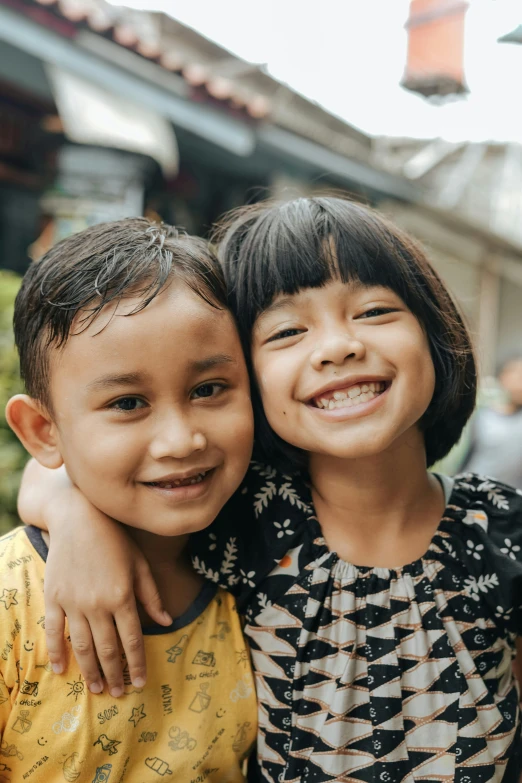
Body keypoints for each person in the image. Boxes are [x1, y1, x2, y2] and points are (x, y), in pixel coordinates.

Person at [19, 198, 522, 783]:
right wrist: (75, 516)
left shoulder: (502, 527)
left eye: (375, 310)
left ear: (436, 331)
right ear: (246, 380)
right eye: (287, 330)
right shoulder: (247, 515)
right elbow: (68, 459)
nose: (337, 347)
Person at [3, 219, 257, 782]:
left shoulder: (268, 581)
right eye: (126, 403)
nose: (181, 440)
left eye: (208, 390)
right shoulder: (10, 604)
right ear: (44, 431)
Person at [460, 357, 522, 489]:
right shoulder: (483, 416)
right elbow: (466, 456)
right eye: (517, 375)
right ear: (502, 377)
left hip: (512, 498)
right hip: (475, 491)